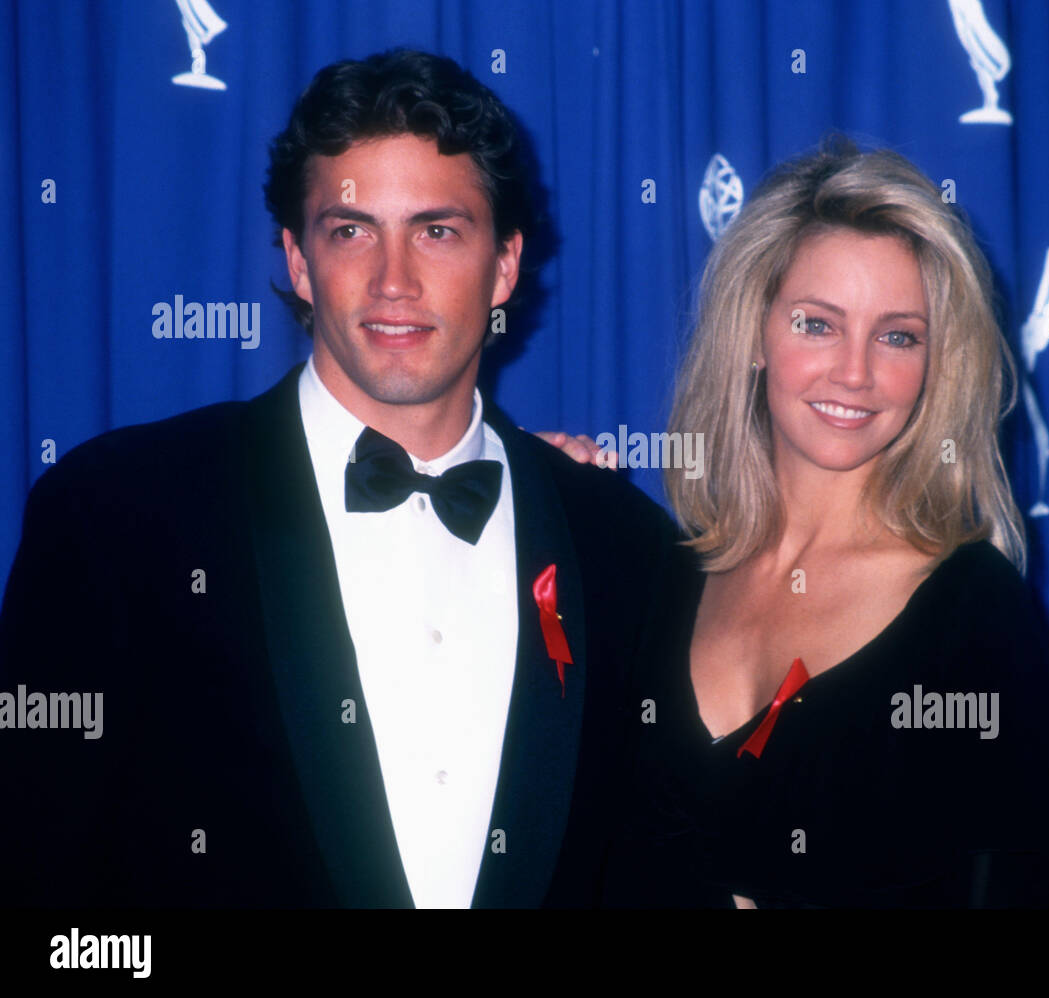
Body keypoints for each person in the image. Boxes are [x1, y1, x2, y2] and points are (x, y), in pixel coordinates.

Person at [0, 49, 677, 908]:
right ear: (297, 258)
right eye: (352, 230)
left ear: (505, 263)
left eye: (438, 230)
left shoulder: (619, 544)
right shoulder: (115, 518)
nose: (394, 282)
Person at [590, 138, 1049, 907]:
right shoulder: (658, 579)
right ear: (753, 334)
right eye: (817, 323)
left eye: (898, 336)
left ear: (938, 365)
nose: (855, 372)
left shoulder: (973, 612)